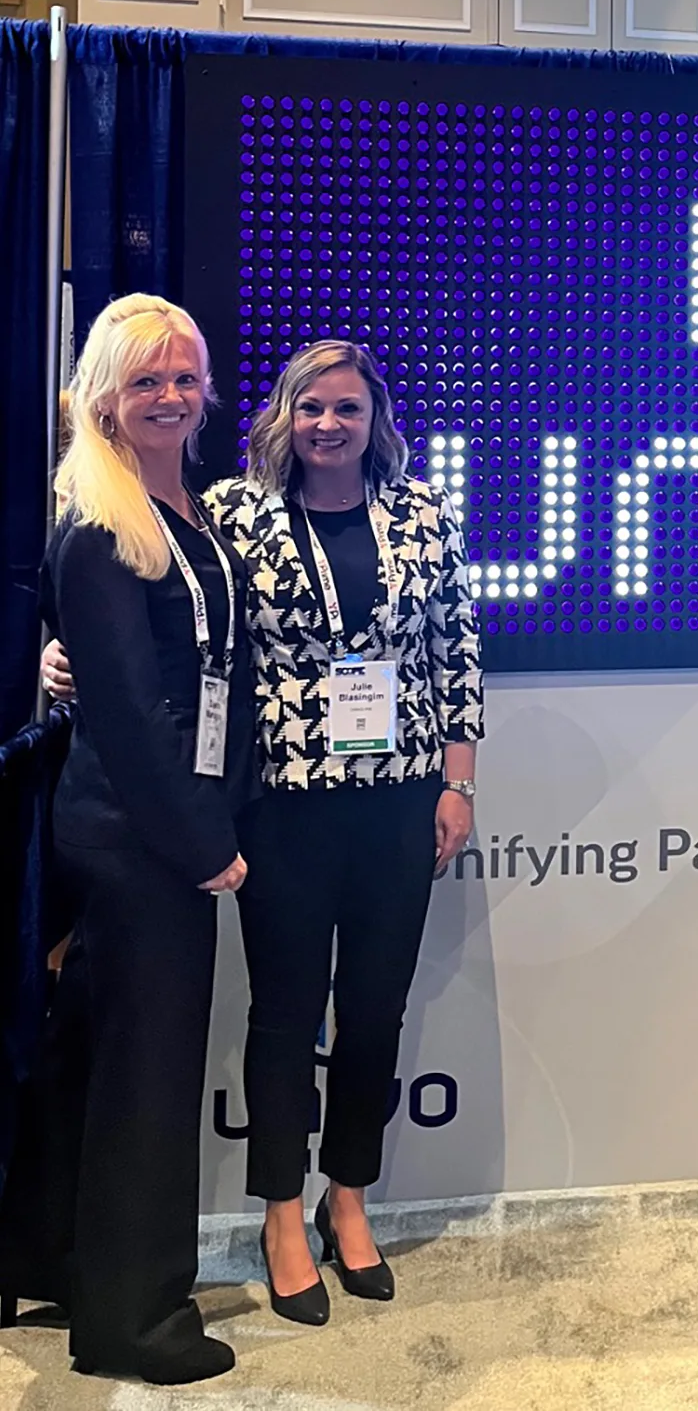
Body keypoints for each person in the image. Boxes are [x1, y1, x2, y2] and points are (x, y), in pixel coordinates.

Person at [44, 339, 482, 1322]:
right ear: (282, 418)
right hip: (278, 805)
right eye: (310, 408)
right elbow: (159, 611)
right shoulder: (233, 515)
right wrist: (62, 657)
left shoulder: (423, 517)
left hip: (398, 803)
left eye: (347, 409)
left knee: (374, 1012)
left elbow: (457, 653)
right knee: (285, 1016)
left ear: (376, 422)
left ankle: (349, 1201)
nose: (328, 426)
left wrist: (460, 784)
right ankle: (281, 1216)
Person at [19, 295, 256, 1382]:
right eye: (146, 380)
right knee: (147, 1078)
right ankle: (132, 1320)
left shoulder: (186, 506)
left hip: (158, 823)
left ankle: (68, 1265)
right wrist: (200, 841)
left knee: (101, 1067)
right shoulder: (96, 518)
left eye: (184, 377)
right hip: (136, 837)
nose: (169, 396)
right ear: (103, 395)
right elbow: (122, 704)